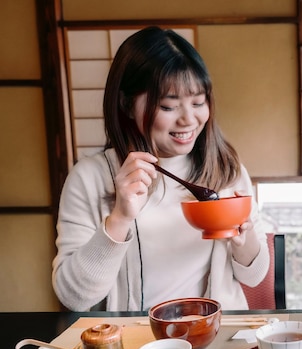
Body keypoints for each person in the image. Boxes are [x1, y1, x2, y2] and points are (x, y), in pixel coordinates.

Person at [52, 26, 270, 311]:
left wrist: (245, 238)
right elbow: (73, 298)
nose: (188, 120)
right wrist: (119, 217)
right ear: (127, 105)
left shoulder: (225, 170)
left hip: (217, 336)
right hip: (137, 345)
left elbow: (254, 276)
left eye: (198, 102)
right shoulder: (91, 178)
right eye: (168, 107)